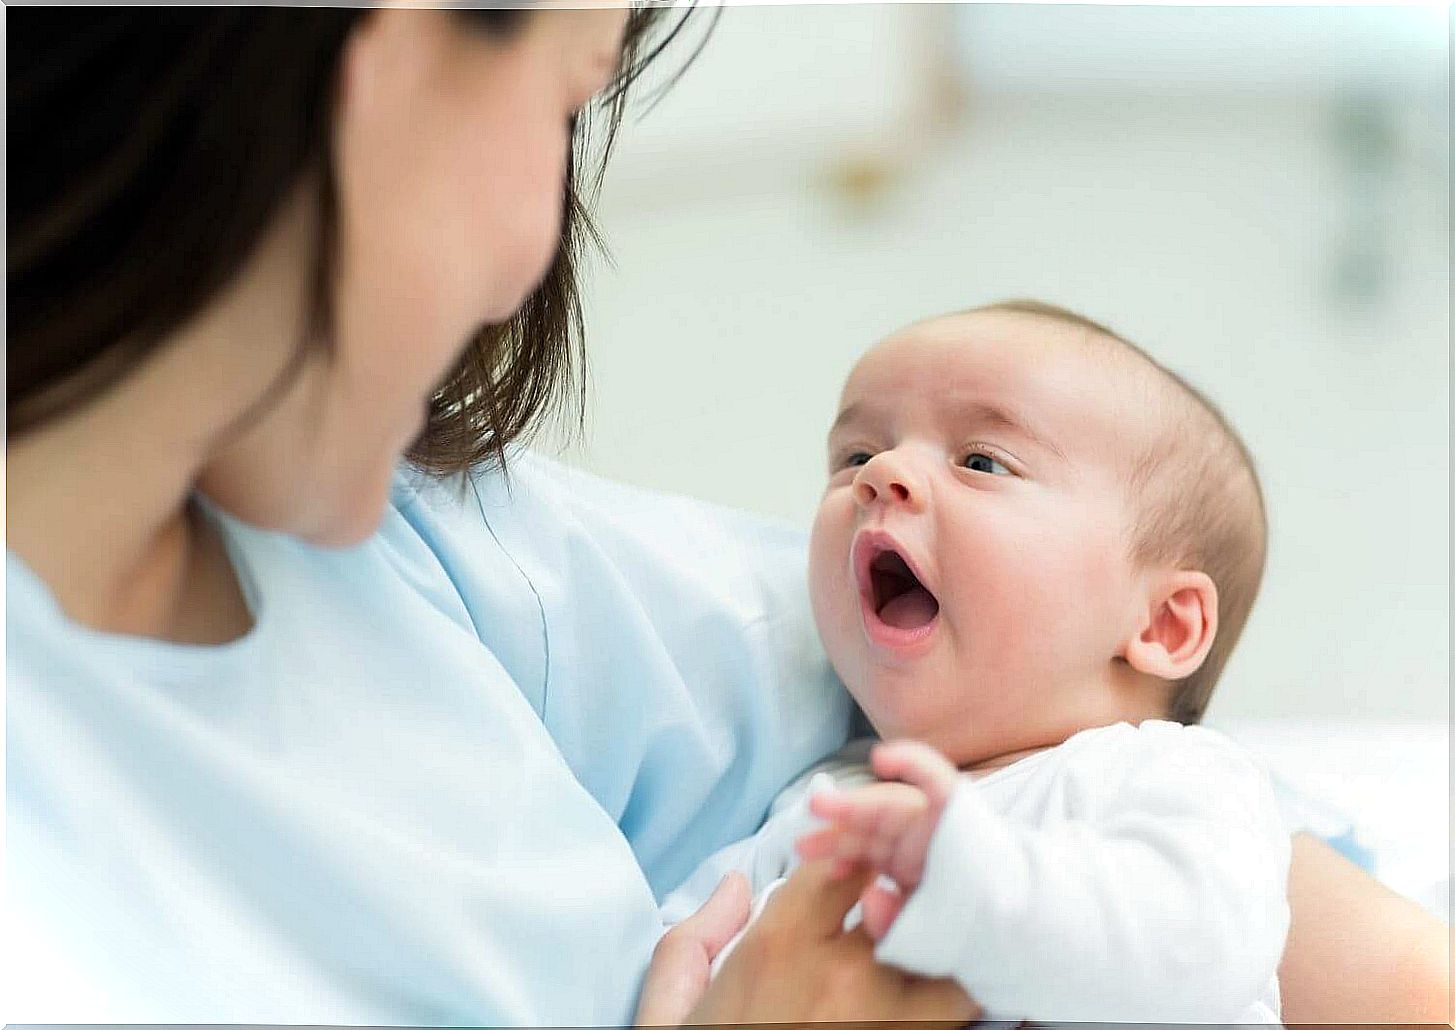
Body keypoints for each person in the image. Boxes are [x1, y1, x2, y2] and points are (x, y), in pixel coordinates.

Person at [4, 8, 1447, 1027]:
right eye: (565, 103)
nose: (528, 263)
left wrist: (999, 877)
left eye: (986, 464)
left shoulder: (413, 537)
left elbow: (1210, 859)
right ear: (379, 60)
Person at [663, 300, 1289, 1022]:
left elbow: (1203, 945)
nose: (881, 474)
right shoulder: (819, 803)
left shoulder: (1167, 777)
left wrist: (974, 887)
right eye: (855, 457)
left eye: (981, 461)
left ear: (1161, 623)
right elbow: (681, 946)